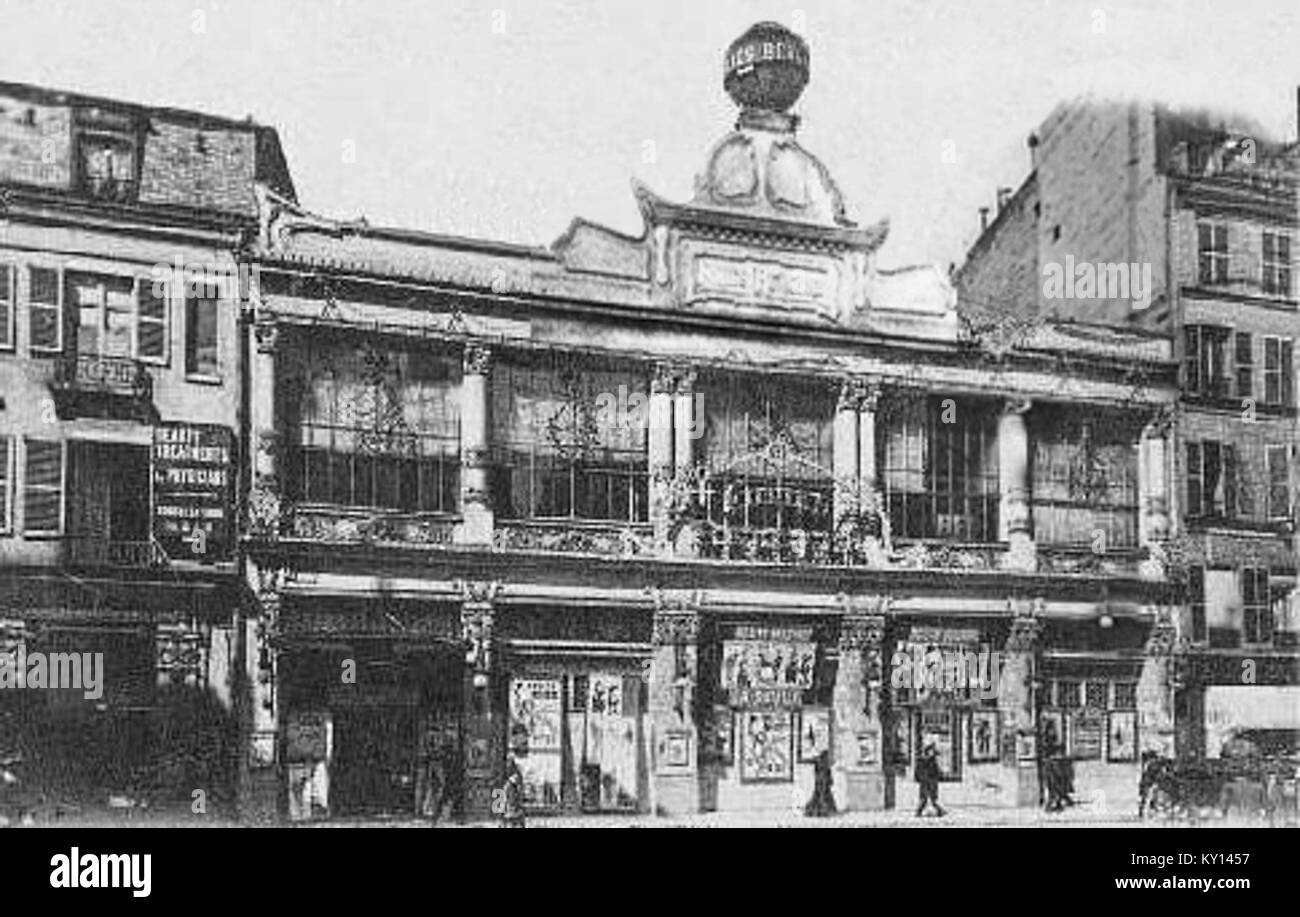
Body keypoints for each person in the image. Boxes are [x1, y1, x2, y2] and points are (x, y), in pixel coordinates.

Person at [915, 743, 946, 817]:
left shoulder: (931, 760)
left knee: (932, 799)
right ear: (928, 751)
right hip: (926, 782)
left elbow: (936, 772)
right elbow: (918, 772)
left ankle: (939, 811)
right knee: (925, 799)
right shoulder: (923, 760)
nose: (933, 753)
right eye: (931, 751)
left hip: (931, 782)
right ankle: (919, 812)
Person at [804, 748, 837, 817]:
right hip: (822, 782)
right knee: (822, 796)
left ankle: (822, 810)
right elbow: (826, 774)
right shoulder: (823, 764)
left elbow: (824, 773)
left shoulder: (820, 763)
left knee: (822, 795)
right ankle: (823, 810)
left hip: (821, 782)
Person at [500, 751, 526, 828]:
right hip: (510, 799)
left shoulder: (515, 771)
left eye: (509, 760)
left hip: (513, 798)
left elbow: (517, 781)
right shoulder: (506, 769)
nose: (508, 763)